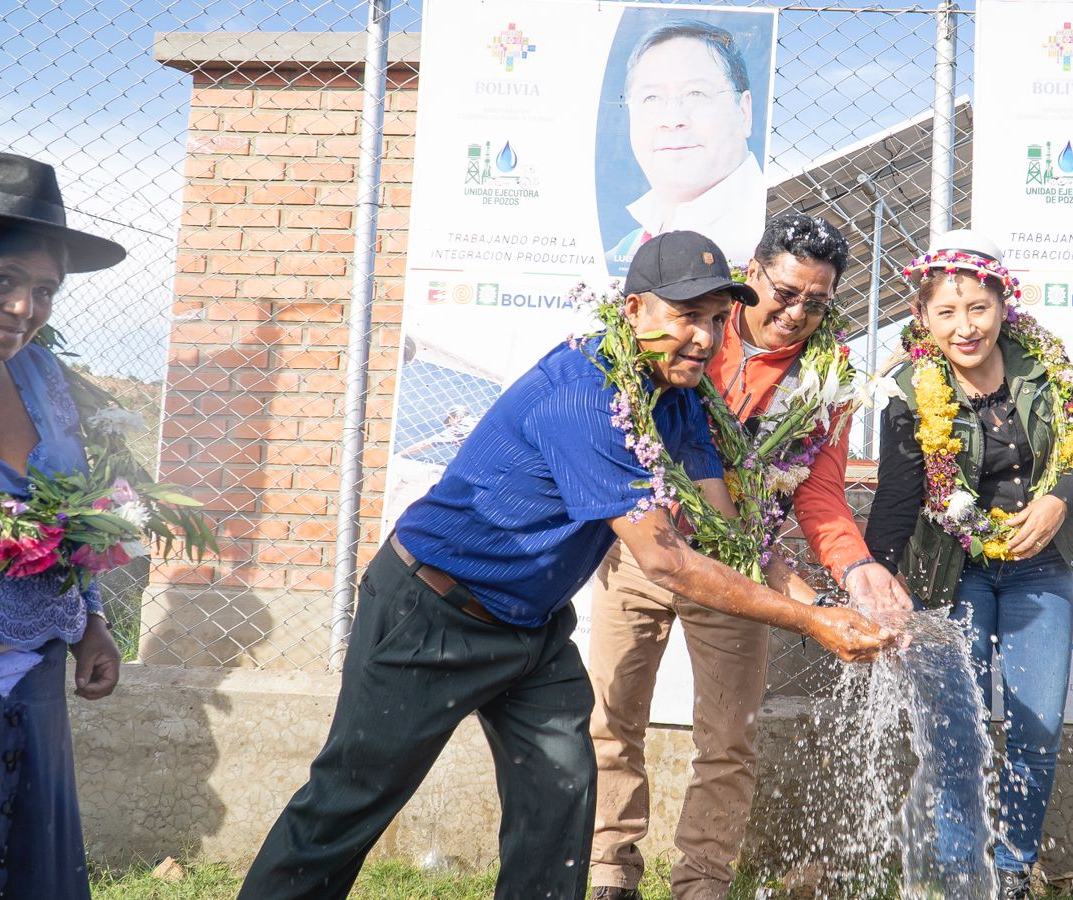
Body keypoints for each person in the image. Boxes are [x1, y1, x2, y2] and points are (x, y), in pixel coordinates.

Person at [238, 232, 893, 900]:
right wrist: (810, 625)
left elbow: (734, 533)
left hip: (531, 628)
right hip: (432, 612)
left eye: (716, 320)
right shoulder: (588, 396)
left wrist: (822, 607)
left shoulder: (681, 399)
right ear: (634, 310)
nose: (704, 337)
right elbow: (666, 561)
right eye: (686, 316)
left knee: (562, 799)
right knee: (350, 801)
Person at [588, 213, 912, 900]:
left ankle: (702, 883)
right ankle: (609, 868)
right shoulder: (690, 332)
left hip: (740, 571)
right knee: (612, 717)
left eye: (817, 303)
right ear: (752, 275)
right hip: (647, 552)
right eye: (785, 292)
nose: (795, 314)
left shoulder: (829, 376)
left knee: (728, 740)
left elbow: (820, 493)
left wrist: (857, 569)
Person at [865, 231, 1073, 899]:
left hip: (1040, 568)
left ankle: (1012, 874)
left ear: (1003, 304)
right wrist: (873, 584)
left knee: (1036, 729)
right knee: (955, 735)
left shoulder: (1044, 365)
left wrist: (1059, 500)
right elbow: (894, 501)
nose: (964, 326)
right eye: (945, 312)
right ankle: (960, 878)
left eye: (977, 307)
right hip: (954, 574)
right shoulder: (911, 392)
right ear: (922, 318)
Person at [0, 152, 127, 900]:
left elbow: (75, 515)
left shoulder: (43, 379)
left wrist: (91, 619)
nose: (23, 309)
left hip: (32, 687)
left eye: (43, 291)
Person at [605, 20, 765, 272]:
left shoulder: (775, 246)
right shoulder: (620, 254)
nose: (672, 120)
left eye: (696, 94)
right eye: (652, 97)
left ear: (744, 111)